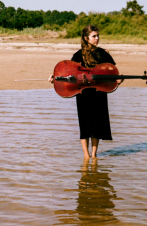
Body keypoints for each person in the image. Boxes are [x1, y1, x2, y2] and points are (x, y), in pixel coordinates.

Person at [49, 25, 123, 158]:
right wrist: (55, 78)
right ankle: (86, 156)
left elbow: (112, 72)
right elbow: (68, 72)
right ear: (86, 38)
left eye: (98, 36)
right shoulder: (78, 55)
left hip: (99, 92)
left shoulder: (103, 53)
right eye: (94, 36)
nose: (97, 38)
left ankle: (93, 155)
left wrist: (118, 79)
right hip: (83, 93)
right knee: (85, 126)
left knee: (97, 125)